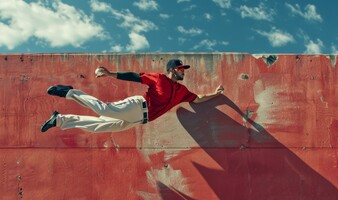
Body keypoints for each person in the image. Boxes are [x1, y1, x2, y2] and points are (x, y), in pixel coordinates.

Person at [40, 59, 224, 133]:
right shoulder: (159, 78)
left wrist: (215, 95)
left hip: (139, 119)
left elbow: (198, 99)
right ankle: (68, 92)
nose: (183, 72)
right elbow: (136, 76)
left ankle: (59, 120)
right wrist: (112, 74)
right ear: (172, 70)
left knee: (99, 127)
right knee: (104, 109)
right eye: (181, 69)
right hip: (138, 106)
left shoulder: (182, 91)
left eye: (183, 69)